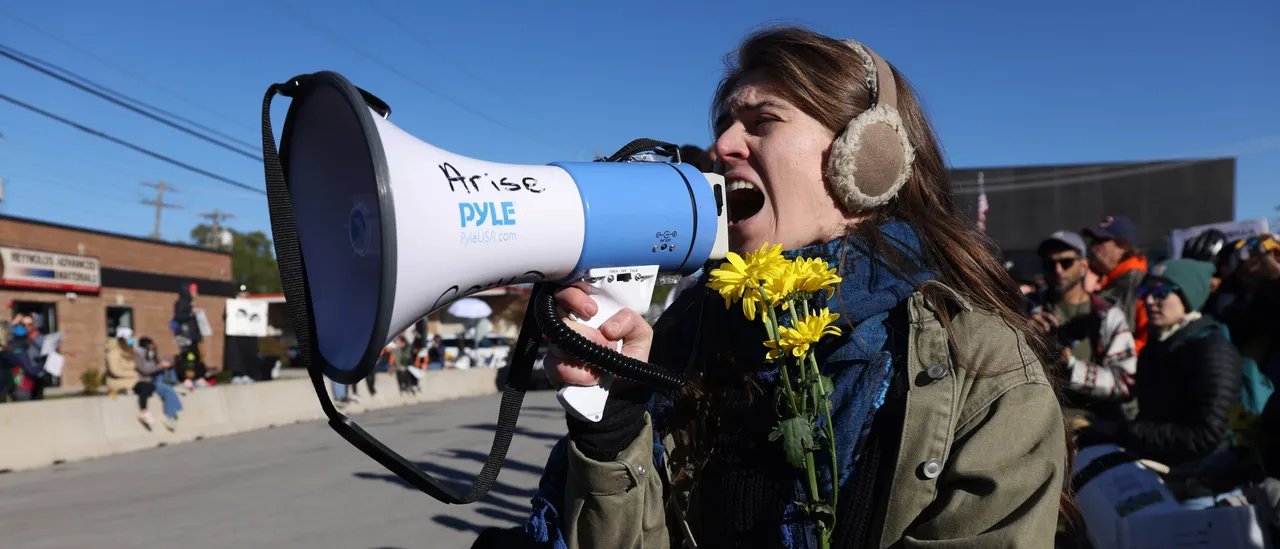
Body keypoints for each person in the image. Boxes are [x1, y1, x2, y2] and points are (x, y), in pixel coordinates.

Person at [498, 26, 1069, 549]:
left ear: (868, 157)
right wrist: (612, 419)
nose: (723, 147)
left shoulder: (981, 365)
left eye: (762, 120)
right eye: (722, 124)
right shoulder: (685, 332)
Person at [1077, 259, 1243, 474]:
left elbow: (1207, 435)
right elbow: (1152, 416)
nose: (1149, 300)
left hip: (1203, 481)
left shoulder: (1214, 351)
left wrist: (1125, 431)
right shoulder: (1156, 347)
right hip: (1160, 470)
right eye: (1145, 291)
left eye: (1162, 292)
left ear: (1187, 297)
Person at [1029, 231, 1137, 424]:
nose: (1058, 270)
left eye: (1066, 263)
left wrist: (1070, 365)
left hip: (1087, 426)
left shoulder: (1107, 315)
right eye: (1049, 264)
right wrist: (1021, 333)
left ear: (1084, 266)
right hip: (1034, 421)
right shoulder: (1026, 309)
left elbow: (1124, 382)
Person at [1083, 215, 1150, 356]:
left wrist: (1117, 356)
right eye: (1092, 241)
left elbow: (1147, 338)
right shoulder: (1116, 280)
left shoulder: (1137, 282)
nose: (1092, 247)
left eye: (1100, 241)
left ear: (1123, 247)